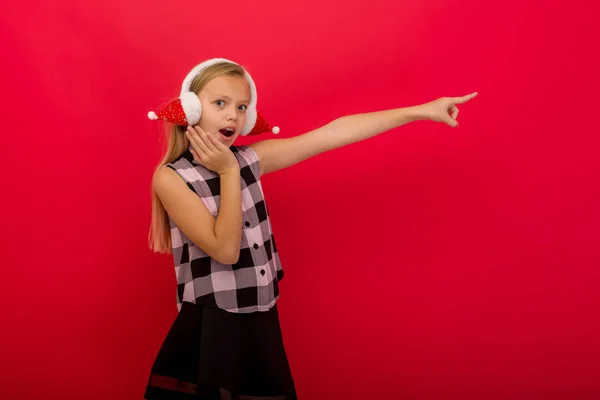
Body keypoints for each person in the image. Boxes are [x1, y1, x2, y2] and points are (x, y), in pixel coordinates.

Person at [143, 57, 477, 400]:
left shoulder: (249, 161)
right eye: (220, 103)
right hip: (211, 327)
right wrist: (229, 173)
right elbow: (226, 250)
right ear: (191, 110)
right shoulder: (171, 178)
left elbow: (331, 134)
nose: (233, 115)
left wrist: (420, 111)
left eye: (242, 107)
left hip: (259, 316)